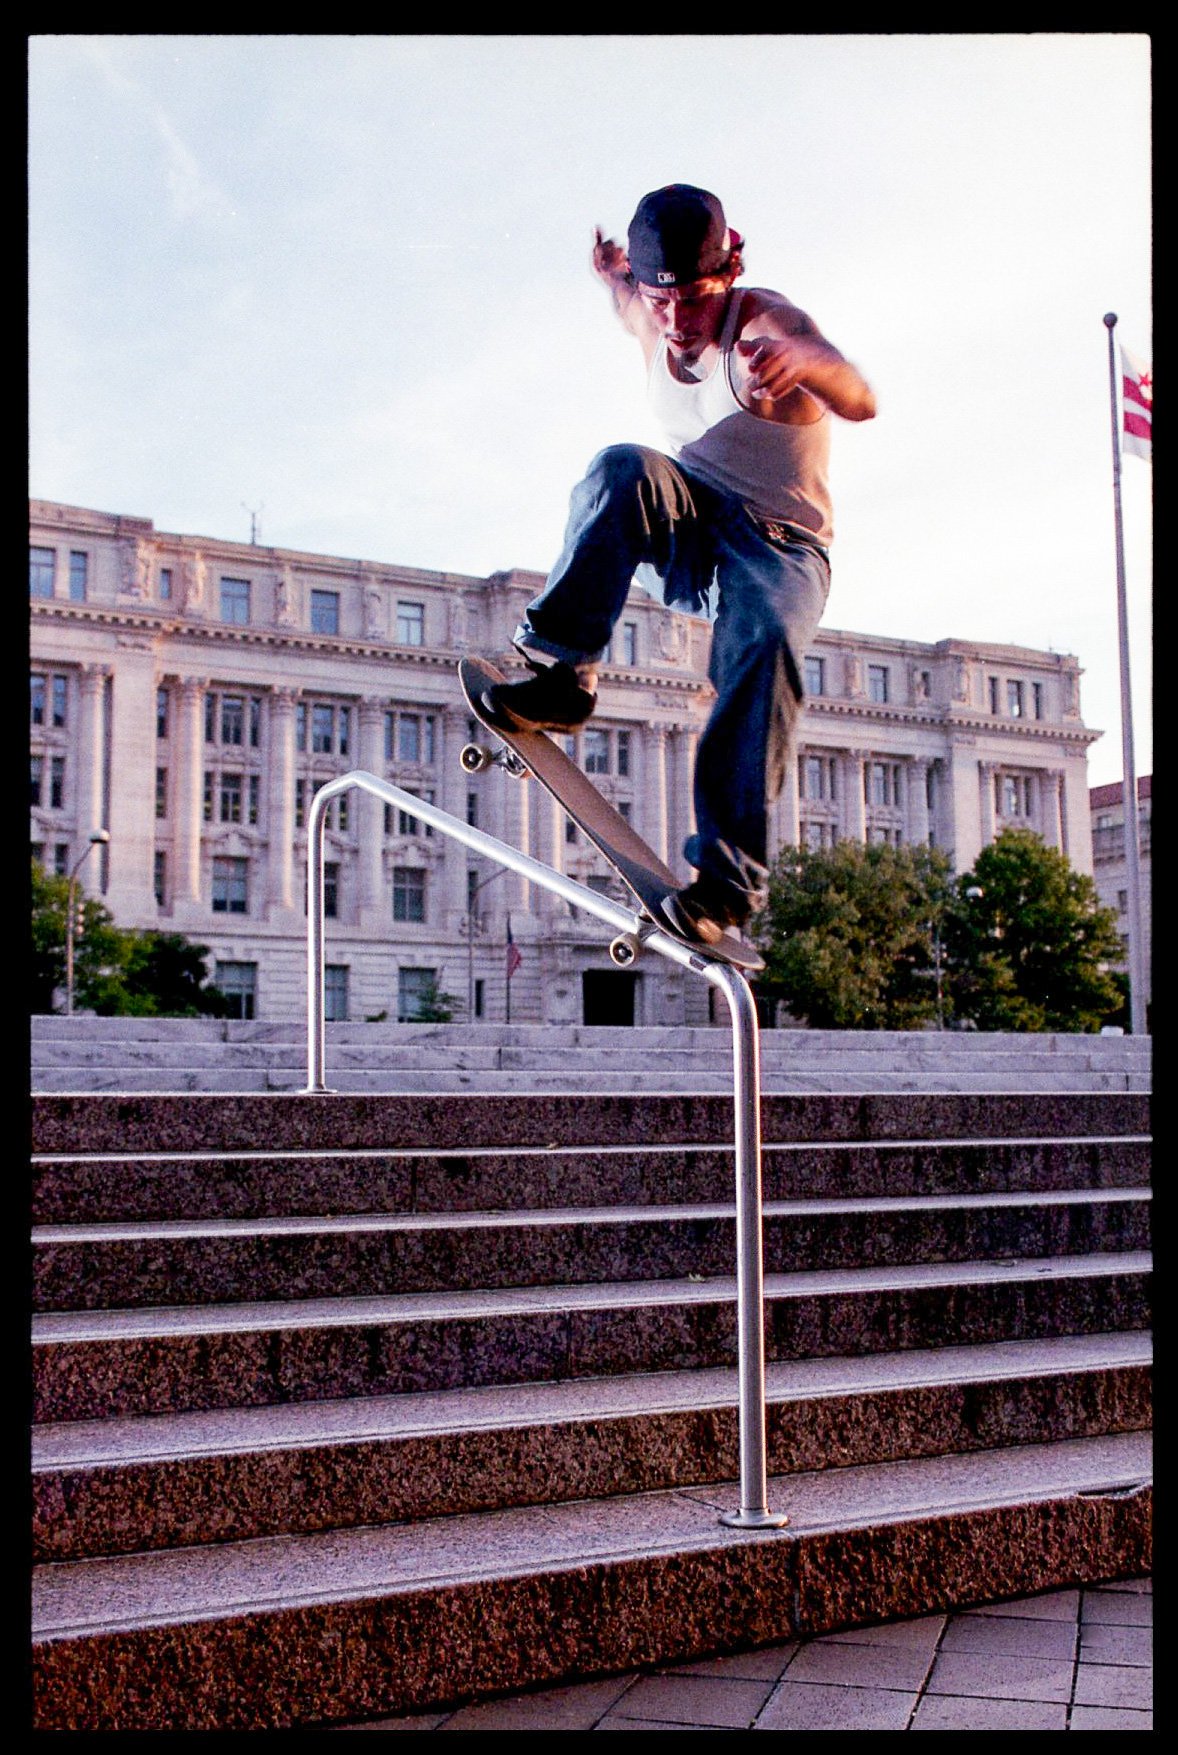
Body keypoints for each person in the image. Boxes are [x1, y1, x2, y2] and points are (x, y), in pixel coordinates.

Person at [482, 184, 876, 946]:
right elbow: (630, 297)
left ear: (731, 268)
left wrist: (807, 364)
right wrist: (614, 277)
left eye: (694, 301)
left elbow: (859, 397)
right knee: (620, 469)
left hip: (780, 548)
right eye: (663, 302)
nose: (678, 322)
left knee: (760, 648)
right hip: (693, 533)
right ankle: (564, 674)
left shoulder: (766, 322)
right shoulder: (651, 312)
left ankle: (727, 881)